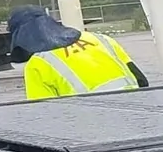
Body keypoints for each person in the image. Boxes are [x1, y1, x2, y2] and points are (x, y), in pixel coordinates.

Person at [8, 6, 150, 102]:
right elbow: (141, 81)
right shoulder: (99, 39)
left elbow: (44, 115)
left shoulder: (37, 64)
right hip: (135, 110)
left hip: (91, 124)